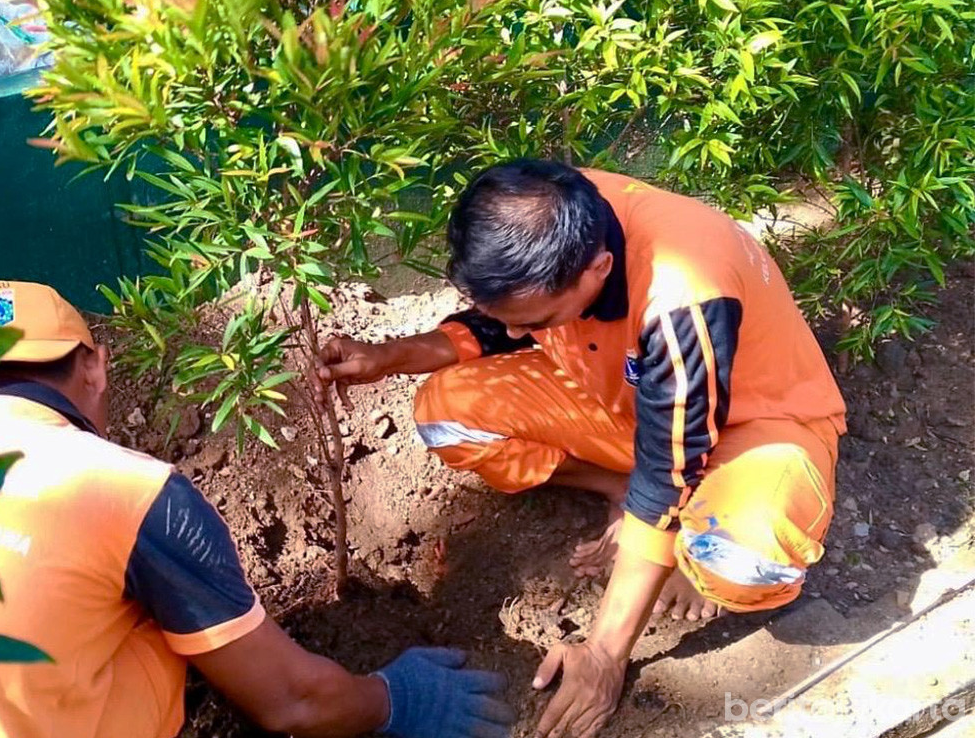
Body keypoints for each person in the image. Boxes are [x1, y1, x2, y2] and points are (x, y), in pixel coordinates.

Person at [313, 160, 847, 738]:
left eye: (539, 321)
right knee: (447, 416)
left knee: (744, 562)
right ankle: (621, 489)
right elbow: (503, 319)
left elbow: (672, 467)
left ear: (599, 269)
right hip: (623, 398)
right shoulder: (543, 214)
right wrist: (388, 357)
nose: (519, 335)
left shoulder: (684, 292)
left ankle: (689, 551)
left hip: (753, 429)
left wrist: (603, 657)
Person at [0, 280, 514, 738]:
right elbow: (292, 703)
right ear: (96, 366)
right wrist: (395, 700)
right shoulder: (124, 488)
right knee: (169, 617)